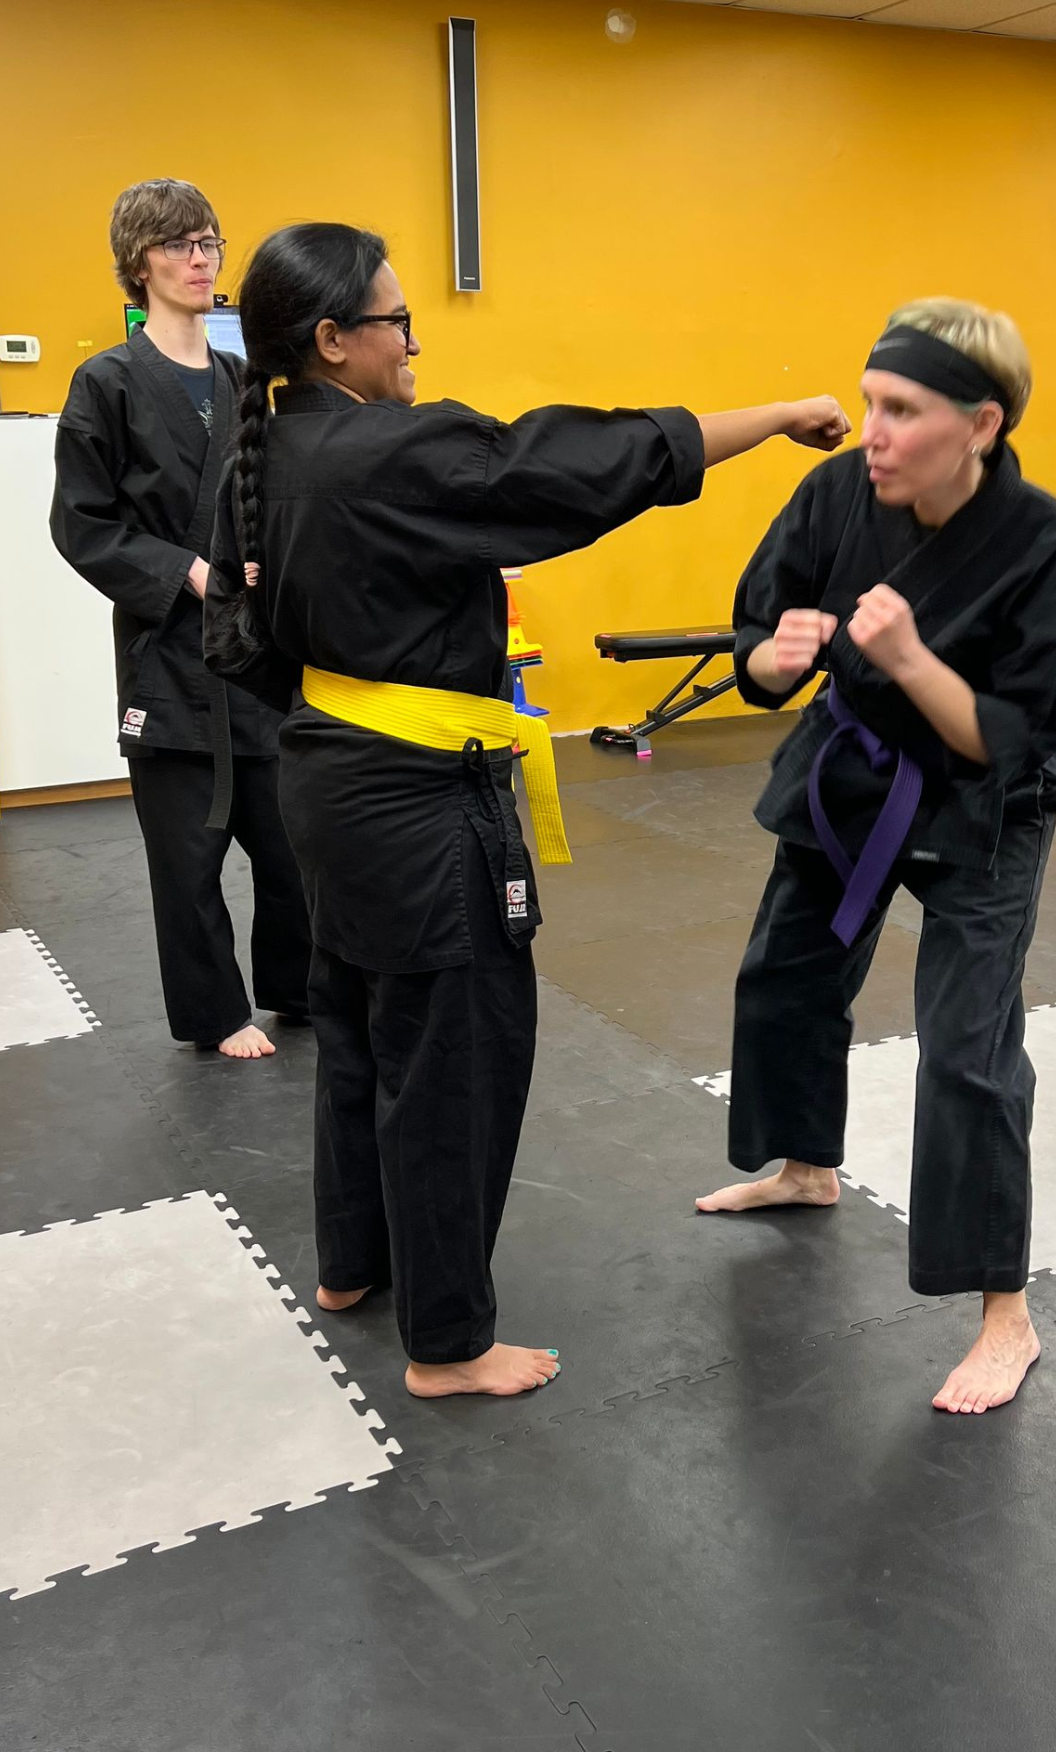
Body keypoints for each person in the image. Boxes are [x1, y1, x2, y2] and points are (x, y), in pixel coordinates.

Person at [203, 221, 849, 1400]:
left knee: (353, 1028)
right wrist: (772, 417)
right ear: (334, 339)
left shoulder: (262, 455)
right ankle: (447, 1343)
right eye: (395, 320)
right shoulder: (385, 454)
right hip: (415, 801)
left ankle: (353, 1265)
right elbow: (574, 464)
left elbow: (234, 640)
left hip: (324, 779)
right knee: (451, 1060)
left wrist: (351, 693)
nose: (411, 341)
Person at [694, 298, 1056, 1417]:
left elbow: (1010, 736)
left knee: (968, 1049)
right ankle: (803, 1164)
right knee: (785, 972)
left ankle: (1003, 1312)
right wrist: (774, 662)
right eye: (869, 402)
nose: (870, 430)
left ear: (981, 423)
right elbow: (758, 644)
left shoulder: (1050, 543)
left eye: (902, 410)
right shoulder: (836, 493)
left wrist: (912, 659)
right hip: (852, 774)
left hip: (984, 803)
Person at [51, 178, 311, 1061]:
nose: (201, 261)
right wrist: (189, 570)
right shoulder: (108, 382)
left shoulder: (244, 378)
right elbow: (81, 524)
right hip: (168, 648)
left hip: (252, 646)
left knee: (287, 843)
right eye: (180, 246)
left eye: (210, 244)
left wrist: (264, 558)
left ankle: (297, 987)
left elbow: (268, 492)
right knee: (187, 857)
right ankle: (216, 1012)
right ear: (140, 263)